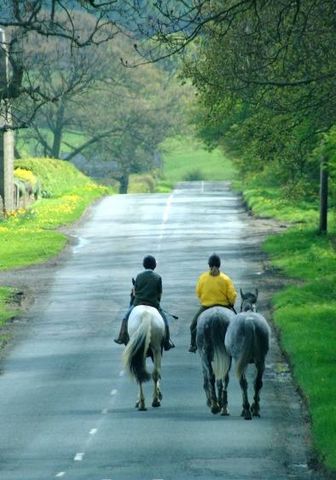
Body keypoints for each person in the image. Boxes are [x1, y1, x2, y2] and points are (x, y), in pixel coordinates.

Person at [114, 255, 175, 351]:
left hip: (138, 303)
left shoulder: (139, 276)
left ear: (144, 265)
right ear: (154, 265)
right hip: (153, 303)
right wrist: (157, 302)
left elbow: (135, 291)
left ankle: (121, 336)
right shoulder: (158, 277)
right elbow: (159, 293)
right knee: (165, 321)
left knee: (125, 317)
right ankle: (167, 342)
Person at [189, 253, 237, 353]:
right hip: (224, 306)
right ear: (219, 265)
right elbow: (232, 295)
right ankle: (237, 344)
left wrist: (205, 299)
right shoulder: (226, 279)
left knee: (193, 326)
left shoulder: (203, 278)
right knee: (237, 324)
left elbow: (198, 292)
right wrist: (231, 303)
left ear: (209, 265)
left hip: (206, 307)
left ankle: (193, 345)